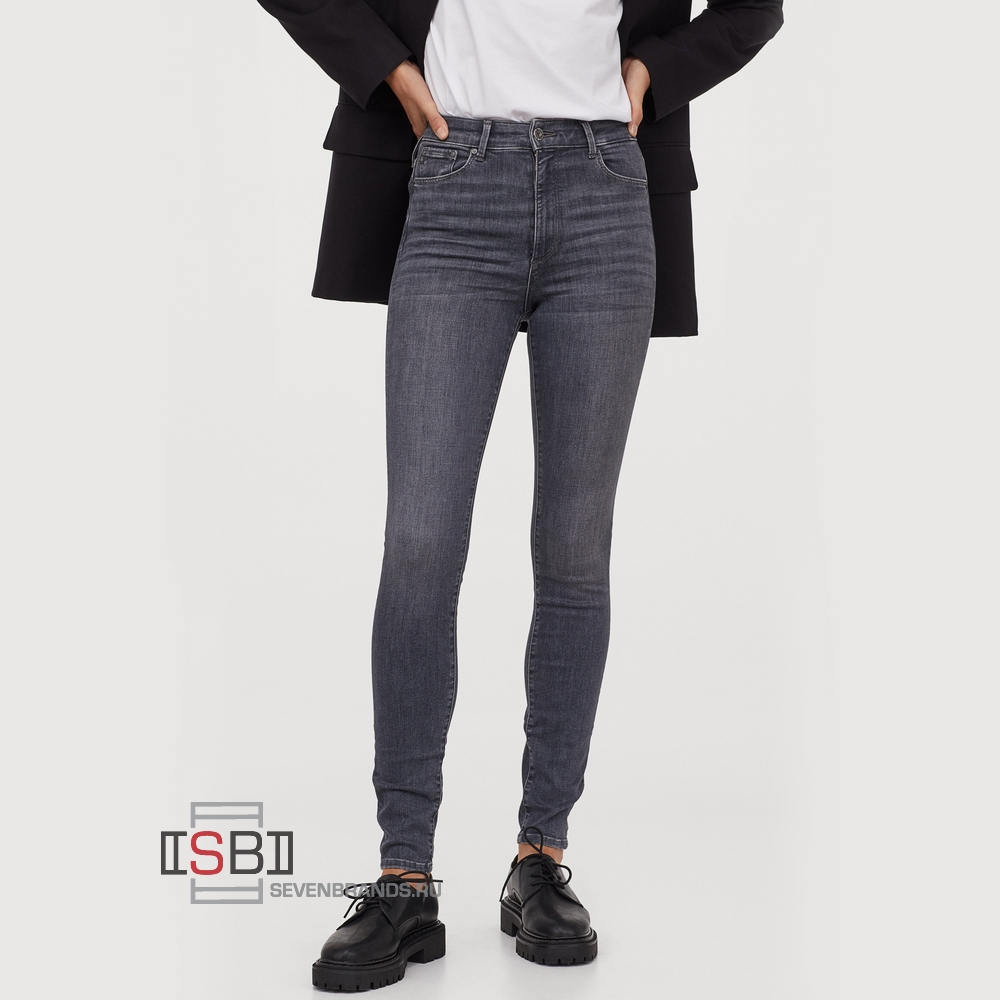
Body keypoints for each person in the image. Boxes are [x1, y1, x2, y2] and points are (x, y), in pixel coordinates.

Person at [256, 0, 783, 990]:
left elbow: (756, 7)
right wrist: (390, 71)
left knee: (574, 550)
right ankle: (403, 877)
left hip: (604, 186)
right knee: (420, 543)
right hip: (453, 173)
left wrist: (652, 74)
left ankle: (540, 857)